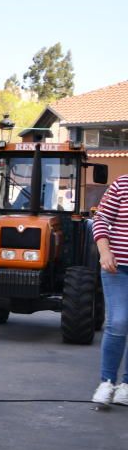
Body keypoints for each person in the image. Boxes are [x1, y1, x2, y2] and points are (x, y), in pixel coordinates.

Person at [91, 174, 128, 406]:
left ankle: (126, 386)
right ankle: (107, 382)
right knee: (119, 321)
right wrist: (105, 252)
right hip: (118, 268)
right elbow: (101, 218)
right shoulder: (122, 183)